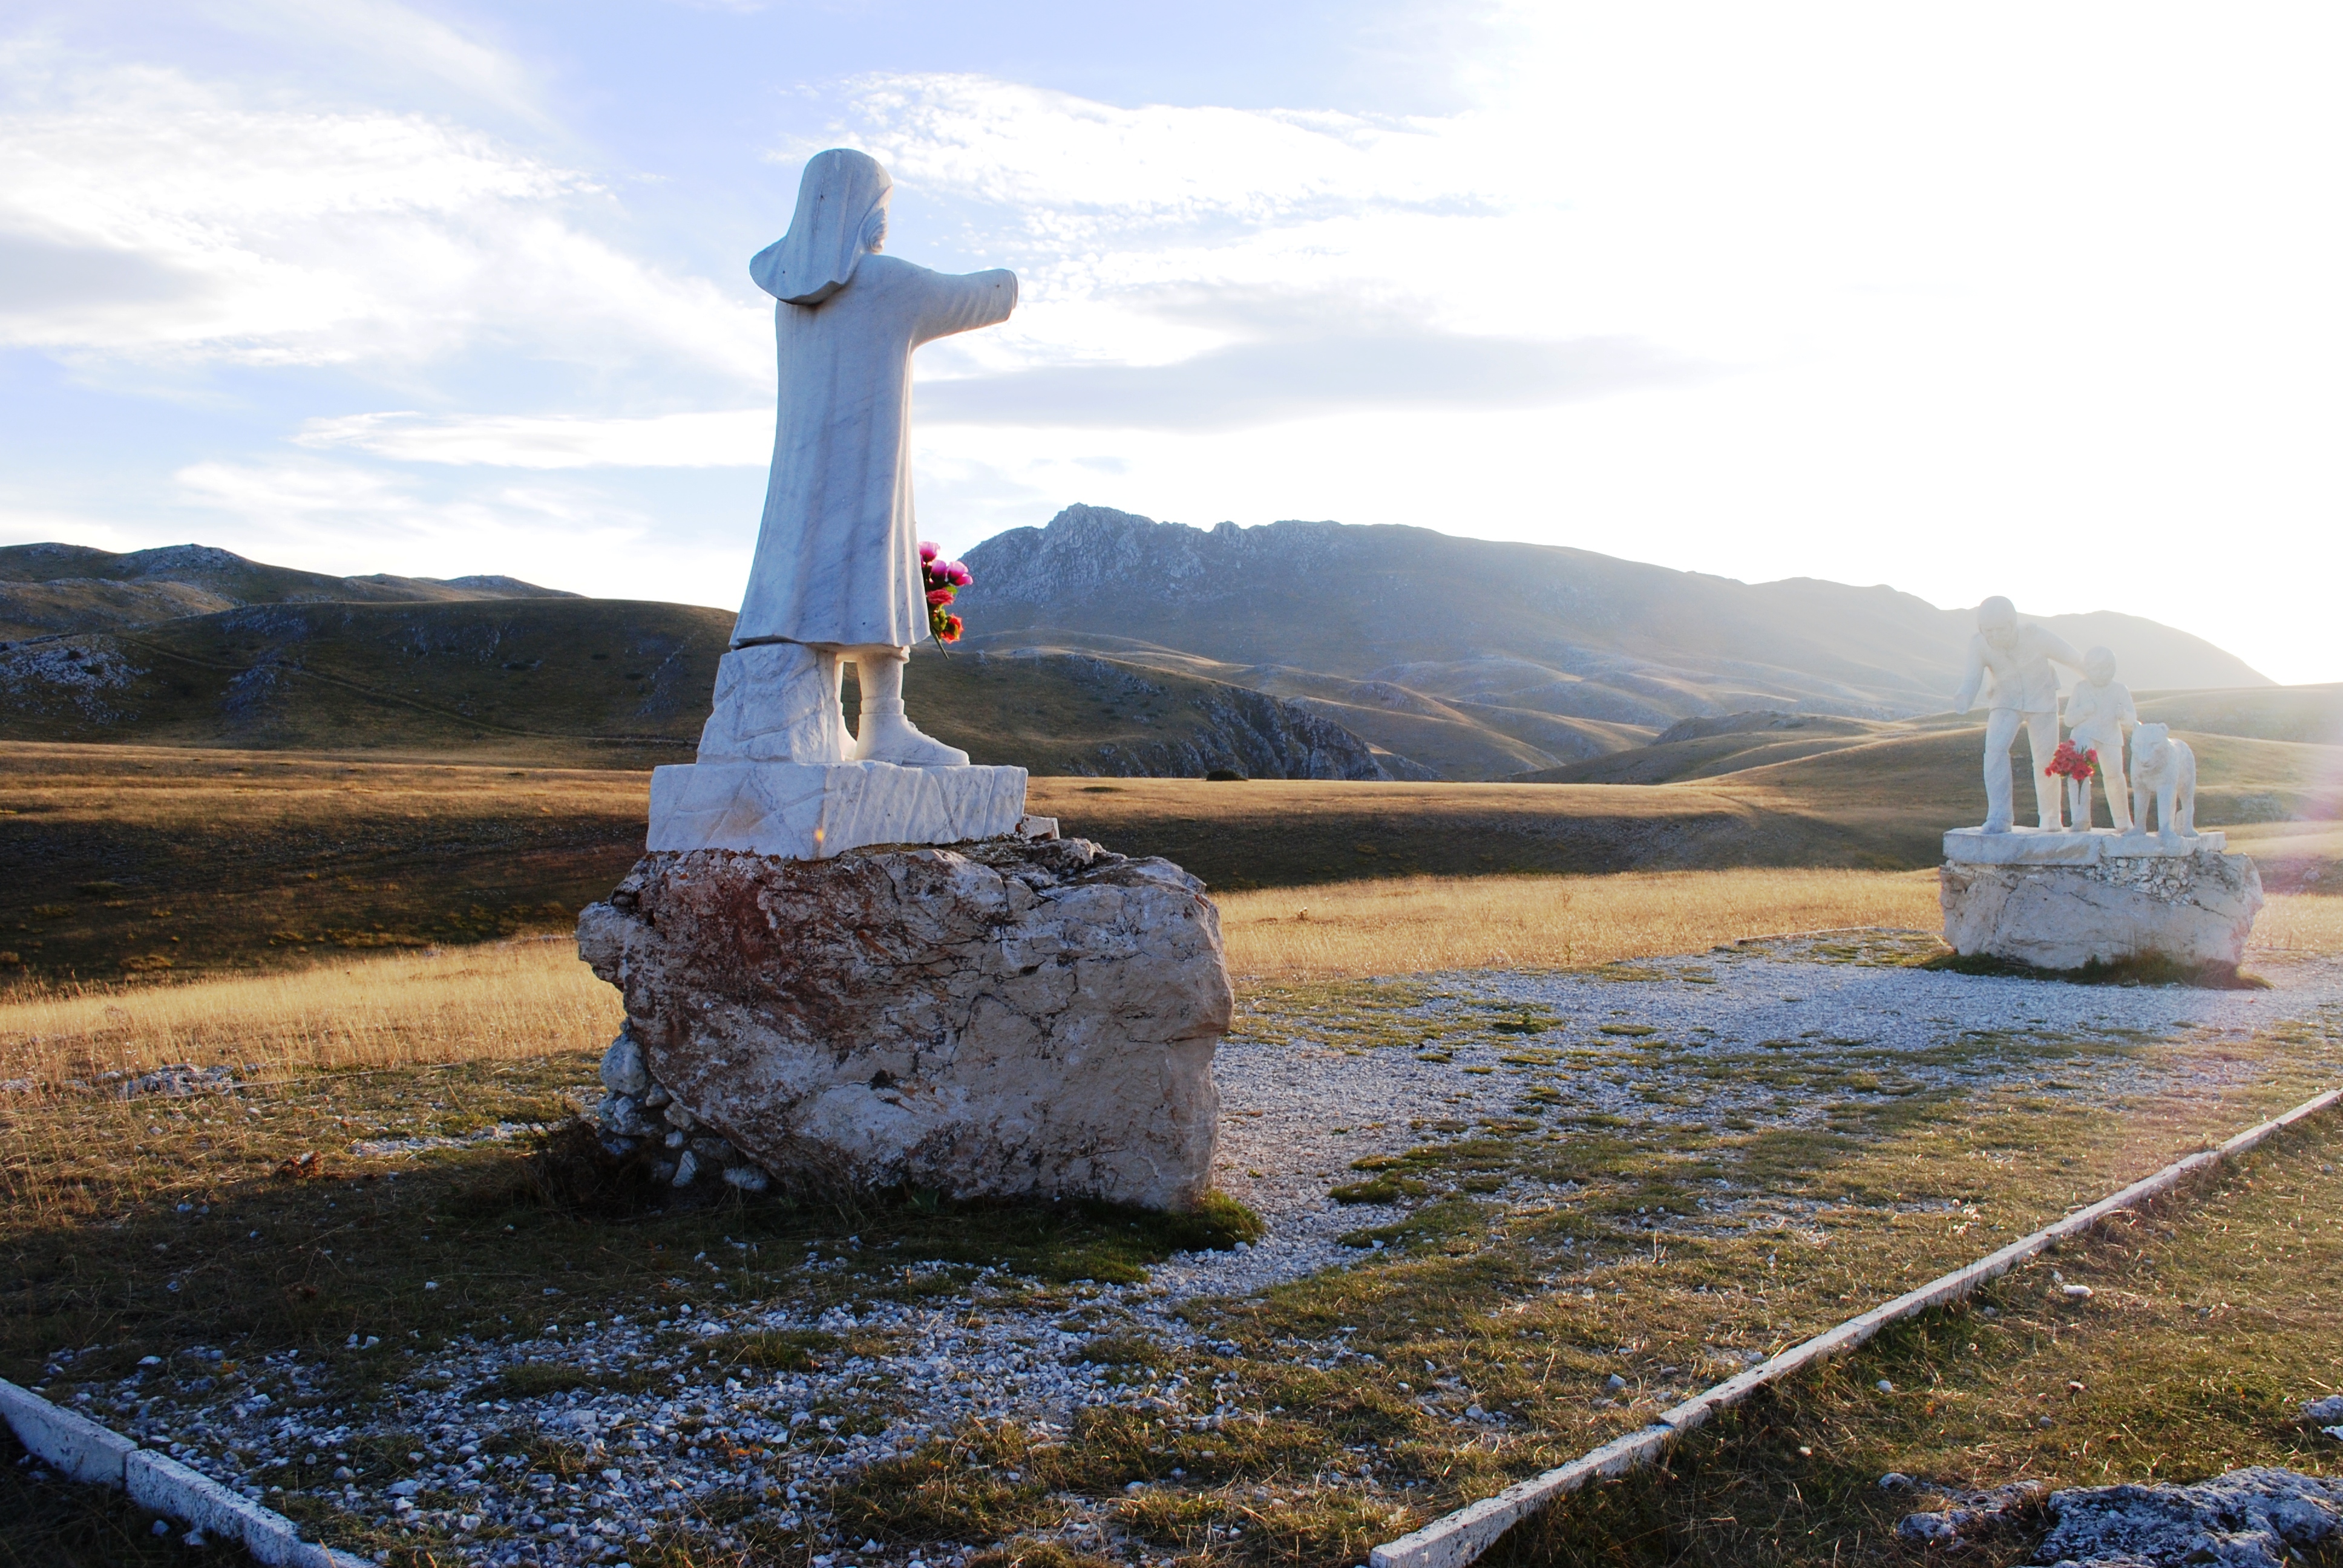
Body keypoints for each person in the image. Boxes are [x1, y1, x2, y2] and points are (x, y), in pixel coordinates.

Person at [729, 148, 1018, 765]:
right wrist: (1017, 277)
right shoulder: (884, 283)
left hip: (798, 483)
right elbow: (978, 297)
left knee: (810, 585)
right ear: (864, 211)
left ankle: (829, 726)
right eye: (882, 209)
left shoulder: (790, 295)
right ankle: (884, 723)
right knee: (872, 574)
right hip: (867, 471)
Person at [1952, 596, 2085, 832]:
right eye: (1988, 631)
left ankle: (2051, 816)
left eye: (1999, 630)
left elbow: (2071, 657)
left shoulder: (2035, 635)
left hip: (2041, 700)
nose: (1993, 636)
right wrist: (1964, 696)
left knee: (2046, 760)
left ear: (2013, 624)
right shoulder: (1979, 643)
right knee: (1994, 752)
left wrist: (2096, 679)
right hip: (2005, 700)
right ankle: (1999, 816)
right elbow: (1972, 677)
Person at [2061, 646, 2138, 832]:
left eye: (2105, 668)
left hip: (2110, 736)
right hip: (2084, 734)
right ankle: (2081, 820)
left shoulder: (2120, 689)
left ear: (2113, 669)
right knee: (2079, 775)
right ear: (2087, 669)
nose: (2101, 673)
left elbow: (2132, 719)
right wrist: (2083, 711)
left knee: (2114, 777)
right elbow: (2069, 719)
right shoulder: (2081, 688)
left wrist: (2123, 715)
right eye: (2095, 668)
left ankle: (2122, 821)